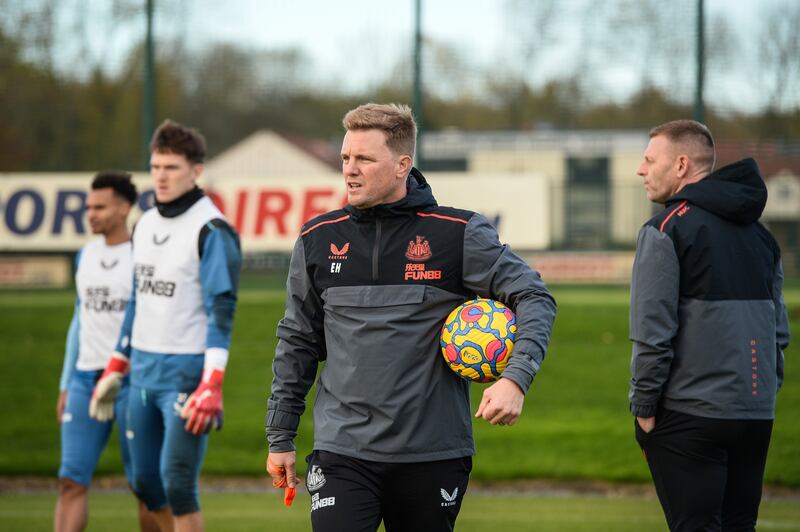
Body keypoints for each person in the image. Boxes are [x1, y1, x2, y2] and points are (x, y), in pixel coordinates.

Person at [266, 103, 557, 531]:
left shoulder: (456, 234)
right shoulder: (317, 239)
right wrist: (280, 435)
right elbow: (298, 342)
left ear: (403, 164)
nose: (350, 169)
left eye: (364, 159)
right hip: (343, 453)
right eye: (346, 158)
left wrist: (515, 378)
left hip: (432, 456)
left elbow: (534, 295)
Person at [629, 119, 790, 531]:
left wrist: (644, 410)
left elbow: (652, 334)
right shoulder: (761, 236)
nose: (641, 170)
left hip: (690, 417)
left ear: (681, 165)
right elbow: (779, 333)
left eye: (650, 159)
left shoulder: (665, 230)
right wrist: (762, 392)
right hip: (755, 415)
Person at [90, 120, 242, 532]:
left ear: (196, 171)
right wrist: (117, 362)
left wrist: (212, 381)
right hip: (142, 370)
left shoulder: (213, 229)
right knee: (143, 482)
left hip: (186, 373)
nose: (160, 175)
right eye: (156, 166)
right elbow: (138, 297)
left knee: (177, 484)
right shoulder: (146, 223)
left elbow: (221, 312)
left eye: (171, 167)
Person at [55, 171, 159, 532]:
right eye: (88, 206)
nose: (91, 213)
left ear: (124, 207)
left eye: (100, 206)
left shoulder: (142, 256)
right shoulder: (85, 255)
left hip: (131, 381)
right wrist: (66, 385)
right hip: (85, 380)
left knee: (144, 486)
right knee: (71, 480)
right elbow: (78, 321)